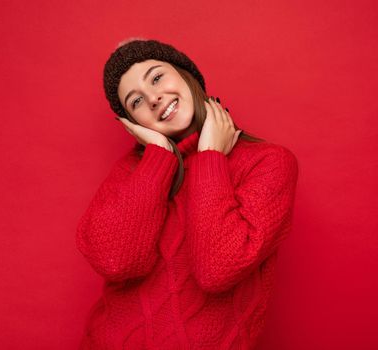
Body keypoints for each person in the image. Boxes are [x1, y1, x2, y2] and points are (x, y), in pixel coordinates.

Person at [76, 38, 299, 349]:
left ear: (185, 74)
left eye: (156, 77)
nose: (153, 98)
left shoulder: (267, 163)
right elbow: (117, 261)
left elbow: (218, 269)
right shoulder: (132, 172)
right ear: (131, 123)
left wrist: (210, 157)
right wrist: (159, 156)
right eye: (135, 101)